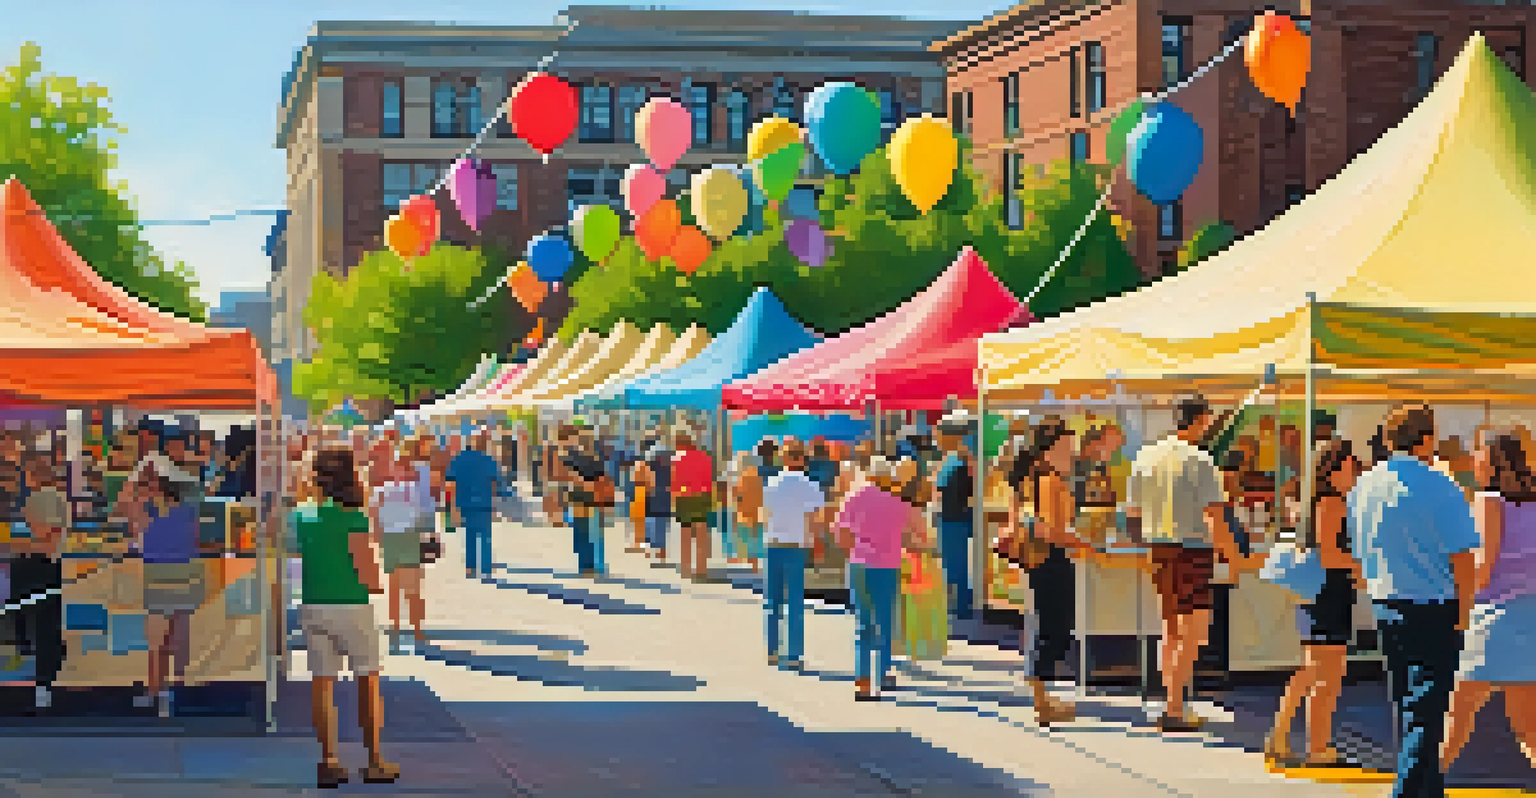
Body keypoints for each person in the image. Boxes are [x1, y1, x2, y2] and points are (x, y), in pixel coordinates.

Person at [1348, 403, 1478, 797]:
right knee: (1427, 711)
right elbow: (1462, 557)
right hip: (1434, 605)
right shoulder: (1441, 485)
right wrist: (1464, 612)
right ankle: (1407, 791)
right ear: (1427, 439)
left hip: (1387, 603)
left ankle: (1427, 789)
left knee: (1408, 705)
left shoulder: (1364, 486)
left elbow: (1357, 552)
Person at [1126, 396, 1241, 733]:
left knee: (1171, 628)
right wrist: (1233, 557)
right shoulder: (1200, 461)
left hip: (1158, 548)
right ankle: (1175, 707)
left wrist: (1144, 546)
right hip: (1193, 550)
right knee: (1192, 631)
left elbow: (1132, 514)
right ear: (1202, 420)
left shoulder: (1145, 458)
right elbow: (1216, 517)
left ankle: (1171, 702)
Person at [296, 447, 397, 788]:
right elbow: (367, 572)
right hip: (351, 606)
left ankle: (328, 760)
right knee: (367, 679)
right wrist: (378, 583)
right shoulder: (354, 517)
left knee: (323, 682)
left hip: (313, 605)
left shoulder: (302, 515)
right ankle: (374, 761)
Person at [1442, 429, 1536, 772]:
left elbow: (1483, 567)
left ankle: (1420, 786)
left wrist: (1453, 597)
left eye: (1478, 452)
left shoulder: (1488, 500)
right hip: (1531, 617)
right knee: (1529, 729)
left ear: (1492, 460)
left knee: (1458, 714)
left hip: (1496, 619)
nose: (1472, 459)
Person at [1267, 439, 1364, 767]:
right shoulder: (1331, 502)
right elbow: (1331, 554)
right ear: (1337, 466)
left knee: (1315, 670)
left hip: (1321, 594)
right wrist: (1360, 566)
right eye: (1353, 464)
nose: (1357, 470)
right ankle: (1317, 747)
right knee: (1327, 674)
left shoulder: (1320, 500)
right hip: (1328, 593)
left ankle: (1284, 734)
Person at [1008, 417, 1092, 725]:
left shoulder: (1032, 479)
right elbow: (1046, 529)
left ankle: (1042, 695)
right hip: (1050, 556)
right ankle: (1042, 700)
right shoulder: (1048, 480)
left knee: (1048, 624)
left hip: (1039, 558)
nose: (1071, 454)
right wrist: (1082, 541)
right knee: (1055, 627)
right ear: (1049, 449)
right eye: (1067, 447)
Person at [835, 456, 929, 700]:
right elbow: (920, 537)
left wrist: (856, 551)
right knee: (885, 623)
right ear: (889, 478)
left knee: (863, 624)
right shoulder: (898, 503)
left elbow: (840, 536)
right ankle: (884, 674)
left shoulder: (853, 498)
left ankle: (862, 681)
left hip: (859, 565)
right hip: (887, 566)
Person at [759, 439, 823, 670]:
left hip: (773, 542)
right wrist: (815, 545)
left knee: (772, 600)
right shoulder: (810, 486)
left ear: (784, 459)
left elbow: (764, 514)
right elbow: (813, 520)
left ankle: (772, 651)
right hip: (797, 545)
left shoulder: (771, 484)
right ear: (803, 460)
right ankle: (794, 654)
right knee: (795, 601)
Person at [16, 454, 68, 711]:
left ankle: (43, 685)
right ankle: (49, 676)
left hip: (38, 564)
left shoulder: (39, 499)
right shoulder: (59, 498)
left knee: (40, 625)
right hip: (51, 564)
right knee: (49, 622)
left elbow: (48, 535)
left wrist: (20, 546)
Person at [370, 445, 431, 649]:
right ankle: (416, 630)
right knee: (412, 589)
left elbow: (373, 514)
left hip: (391, 539)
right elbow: (424, 515)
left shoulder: (381, 490)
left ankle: (396, 628)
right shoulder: (414, 490)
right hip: (409, 537)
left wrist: (376, 535)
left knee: (395, 588)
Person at [446, 430, 503, 580]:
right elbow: (494, 484)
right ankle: (485, 569)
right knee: (484, 536)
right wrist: (494, 505)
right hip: (483, 503)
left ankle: (470, 567)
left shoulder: (458, 459)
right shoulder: (489, 460)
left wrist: (452, 507)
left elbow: (451, 484)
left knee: (469, 535)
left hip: (464, 502)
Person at [934, 419, 975, 618]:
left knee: (957, 564)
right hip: (950, 516)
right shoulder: (950, 460)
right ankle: (958, 605)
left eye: (939, 434)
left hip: (955, 518)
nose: (936, 438)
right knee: (953, 564)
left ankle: (962, 606)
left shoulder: (962, 460)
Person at [671, 431, 714, 582]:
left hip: (684, 497)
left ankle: (686, 568)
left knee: (686, 533)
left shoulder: (677, 458)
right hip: (702, 496)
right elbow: (709, 479)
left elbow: (674, 480)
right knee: (702, 533)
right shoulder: (705, 457)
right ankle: (702, 568)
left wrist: (674, 495)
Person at [732, 449, 765, 573]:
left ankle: (750, 562)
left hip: (744, 512)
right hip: (757, 511)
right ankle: (754, 562)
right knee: (755, 538)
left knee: (745, 538)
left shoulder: (741, 478)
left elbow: (738, 495)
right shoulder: (758, 477)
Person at [644, 438, 673, 563]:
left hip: (661, 500)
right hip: (653, 500)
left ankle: (660, 554)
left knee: (659, 527)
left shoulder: (666, 469)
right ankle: (656, 553)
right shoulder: (654, 467)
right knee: (653, 526)